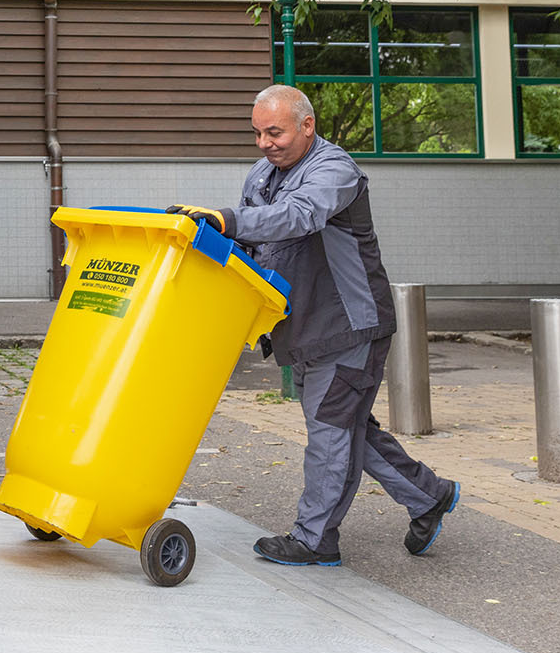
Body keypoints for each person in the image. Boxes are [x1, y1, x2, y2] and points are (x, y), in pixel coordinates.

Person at [168, 84, 459, 567]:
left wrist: (227, 219)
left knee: (330, 431)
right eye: (258, 133)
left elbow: (298, 216)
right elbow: (255, 248)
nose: (265, 143)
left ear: (307, 125)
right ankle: (429, 496)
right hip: (302, 329)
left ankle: (315, 538)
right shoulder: (262, 175)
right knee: (346, 430)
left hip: (349, 327)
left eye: (275, 132)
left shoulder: (335, 170)